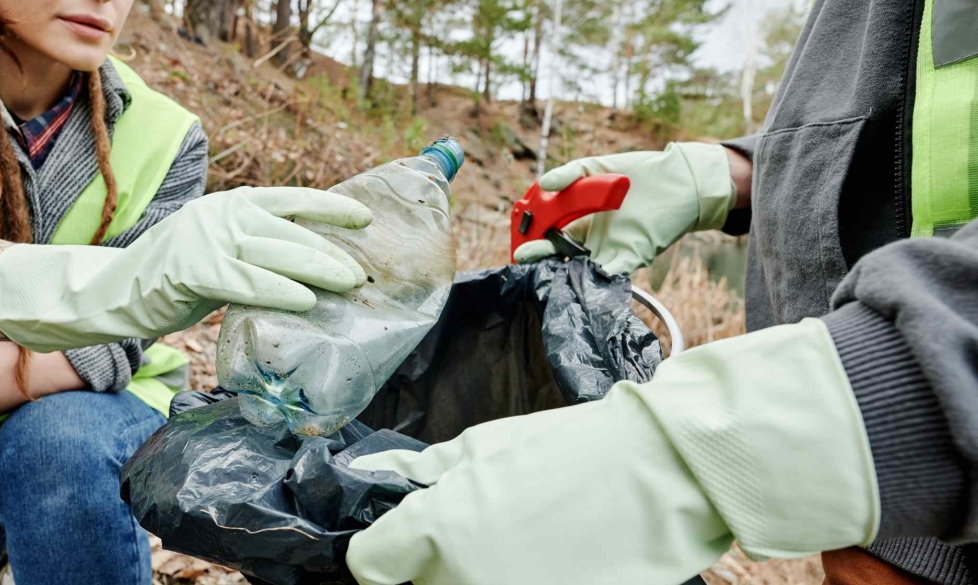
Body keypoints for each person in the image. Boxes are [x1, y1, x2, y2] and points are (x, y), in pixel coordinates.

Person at [343, 0, 978, 583]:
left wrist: (706, 453)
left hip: (900, 434)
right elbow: (909, 123)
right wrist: (737, 174)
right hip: (871, 496)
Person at [0, 0, 371, 584]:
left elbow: (97, 354)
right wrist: (121, 282)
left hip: (90, 410)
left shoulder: (166, 134)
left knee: (58, 448)